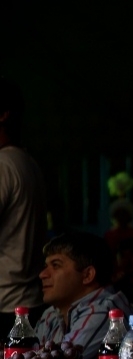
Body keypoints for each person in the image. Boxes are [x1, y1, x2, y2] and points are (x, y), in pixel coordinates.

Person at [34, 233, 133, 359]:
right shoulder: (51, 313)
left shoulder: (106, 311)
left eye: (55, 265)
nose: (42, 274)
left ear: (87, 275)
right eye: (46, 266)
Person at [0, 77, 47, 333]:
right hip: (26, 302)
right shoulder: (27, 162)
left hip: (6, 306)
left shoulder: (4, 166)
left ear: (3, 115)